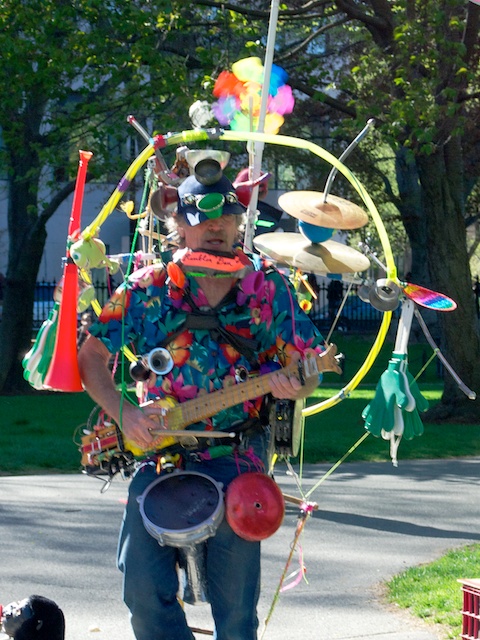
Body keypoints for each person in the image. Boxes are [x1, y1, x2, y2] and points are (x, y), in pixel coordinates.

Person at [78, 158, 332, 640]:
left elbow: (309, 367)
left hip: (237, 456)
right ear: (179, 225)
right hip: (159, 454)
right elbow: (90, 357)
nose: (215, 227)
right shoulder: (147, 289)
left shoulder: (268, 290)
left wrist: (296, 384)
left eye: (226, 219)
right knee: (142, 588)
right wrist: (124, 412)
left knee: (235, 610)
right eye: (201, 218)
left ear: (241, 223)